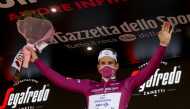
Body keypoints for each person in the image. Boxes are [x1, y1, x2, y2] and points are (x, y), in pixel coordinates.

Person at [26, 22, 173, 109]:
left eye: (110, 63)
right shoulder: (88, 86)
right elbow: (60, 80)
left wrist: (163, 45)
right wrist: (37, 61)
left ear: (116, 66)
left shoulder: (126, 85)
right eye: (103, 63)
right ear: (98, 67)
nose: (106, 66)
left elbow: (149, 69)